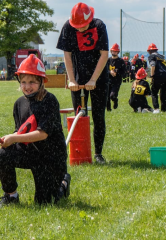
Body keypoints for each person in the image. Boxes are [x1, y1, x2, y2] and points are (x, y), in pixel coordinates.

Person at [0, 54, 70, 207]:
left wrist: (14, 138)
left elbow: (42, 134)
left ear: (41, 82)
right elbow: (21, 132)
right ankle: (11, 196)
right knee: (3, 155)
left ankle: (63, 183)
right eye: (23, 82)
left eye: (32, 82)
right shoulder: (19, 103)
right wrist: (10, 139)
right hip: (31, 153)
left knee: (45, 203)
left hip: (50, 158)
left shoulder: (49, 101)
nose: (27, 86)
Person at [56, 2, 109, 164]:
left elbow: (104, 55)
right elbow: (67, 56)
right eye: (77, 26)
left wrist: (94, 79)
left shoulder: (99, 26)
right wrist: (72, 80)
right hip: (77, 78)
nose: (79, 29)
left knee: (98, 116)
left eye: (83, 26)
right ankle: (79, 154)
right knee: (79, 114)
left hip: (99, 77)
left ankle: (98, 154)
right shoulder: (67, 27)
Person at [147, 43, 166, 113]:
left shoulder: (151, 56)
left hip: (159, 75)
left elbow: (153, 65)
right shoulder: (161, 56)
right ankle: (164, 109)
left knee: (154, 92)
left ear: (149, 51)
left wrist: (152, 76)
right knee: (163, 92)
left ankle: (156, 109)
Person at [106, 43, 126, 111]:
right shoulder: (108, 60)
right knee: (107, 96)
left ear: (118, 52)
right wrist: (110, 72)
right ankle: (108, 109)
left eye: (115, 51)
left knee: (112, 95)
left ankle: (115, 100)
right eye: (113, 51)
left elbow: (124, 72)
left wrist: (117, 73)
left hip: (117, 81)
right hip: (108, 80)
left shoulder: (121, 61)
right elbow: (104, 70)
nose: (114, 52)